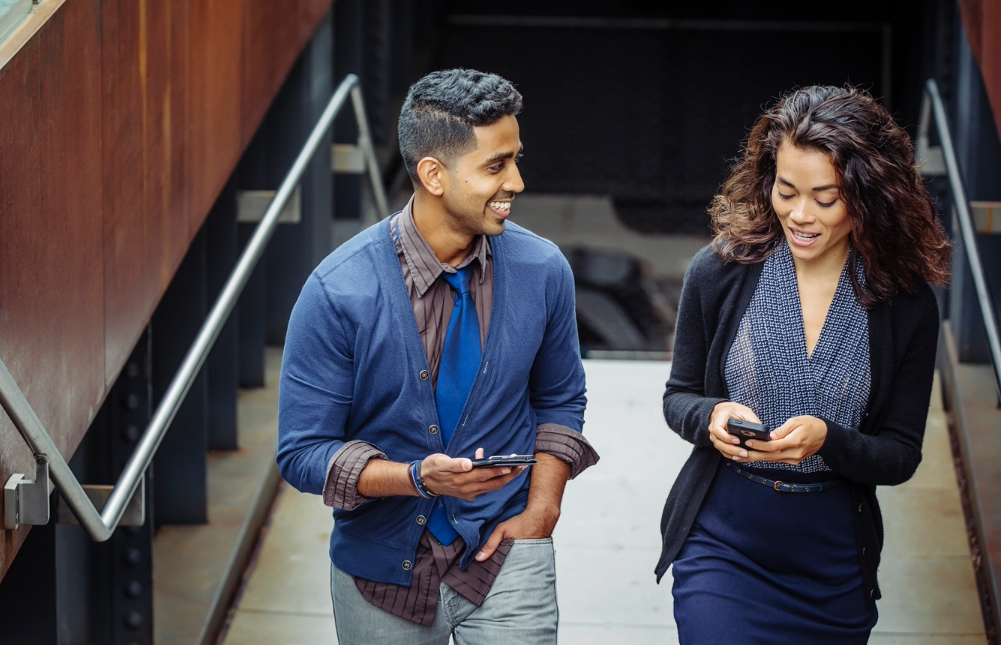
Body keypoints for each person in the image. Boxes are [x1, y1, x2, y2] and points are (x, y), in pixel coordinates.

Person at [277, 68, 598, 644]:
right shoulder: (338, 291)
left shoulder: (543, 270)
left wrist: (543, 510)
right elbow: (303, 453)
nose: (517, 182)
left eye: (515, 158)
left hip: (508, 555)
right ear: (433, 175)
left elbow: (559, 398)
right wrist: (414, 479)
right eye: (496, 165)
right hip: (381, 571)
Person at [657, 85, 952, 643]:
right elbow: (679, 397)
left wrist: (827, 440)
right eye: (785, 190)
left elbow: (900, 455)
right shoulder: (720, 270)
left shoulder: (906, 304)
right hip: (723, 542)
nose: (799, 214)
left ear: (869, 196)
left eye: (826, 198)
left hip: (832, 560)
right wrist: (711, 416)